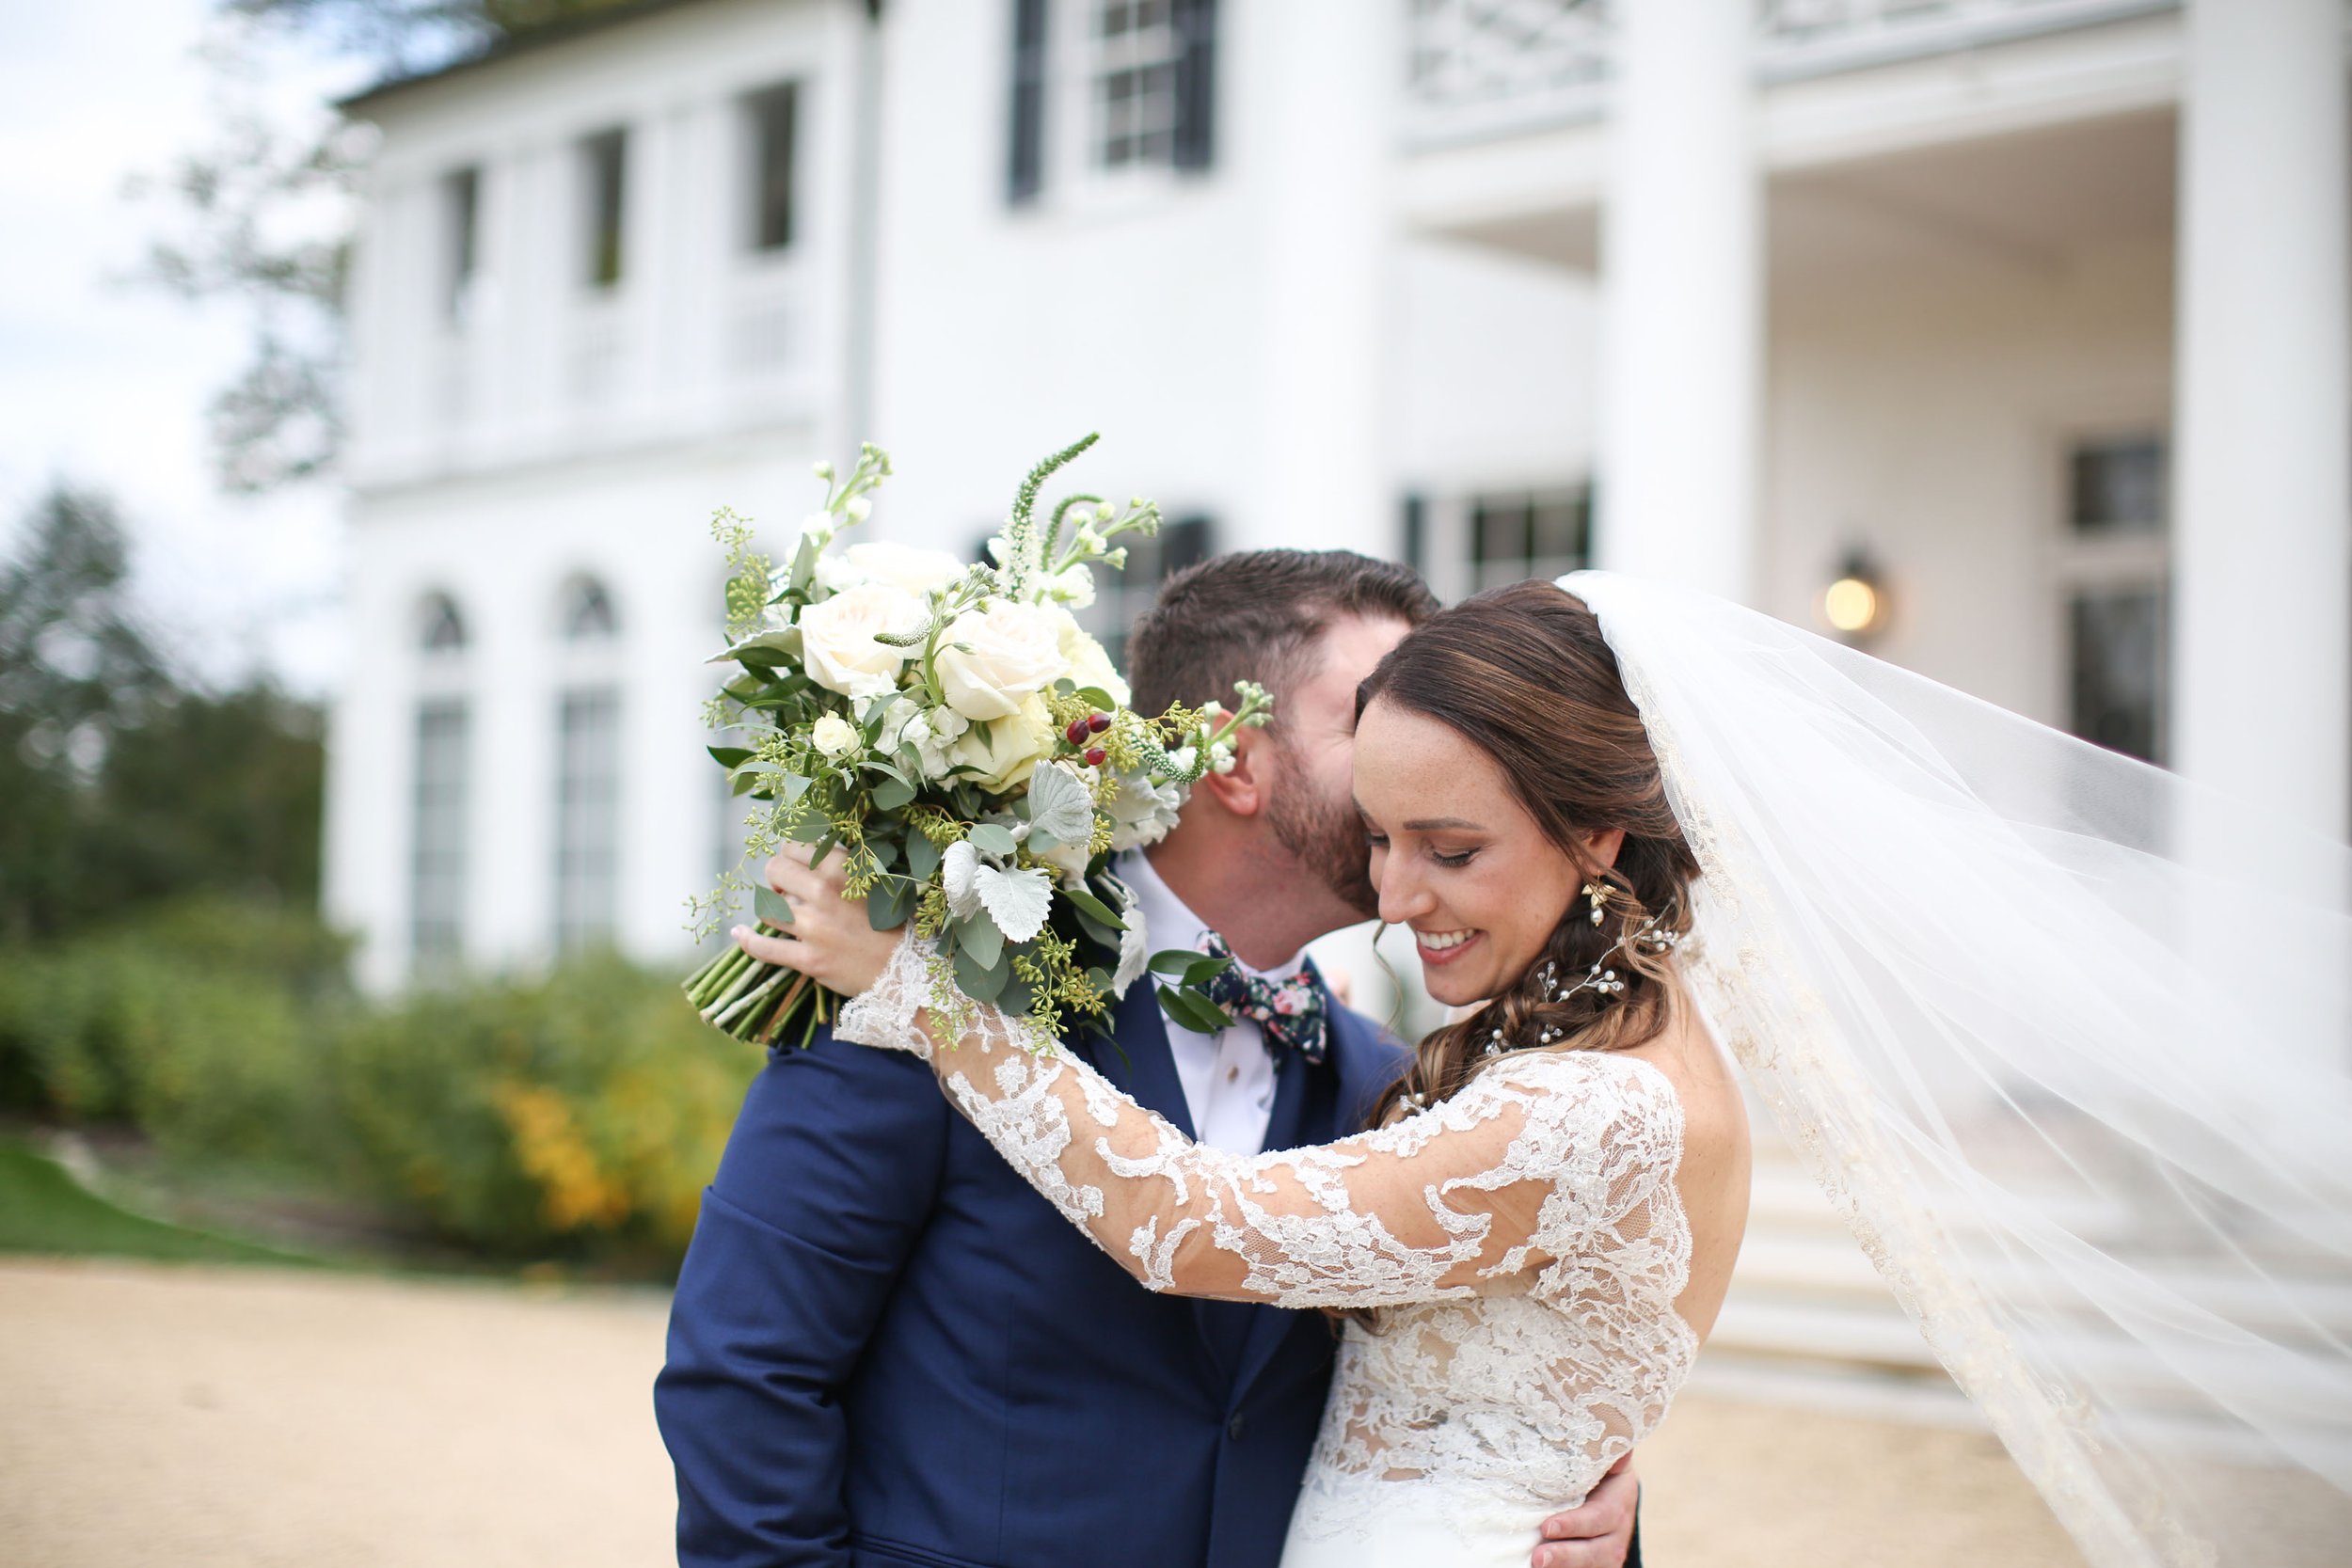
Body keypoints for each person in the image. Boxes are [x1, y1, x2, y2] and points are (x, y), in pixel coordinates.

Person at [764, 574, 2352, 1568]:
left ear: (1599, 832)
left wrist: (930, 996)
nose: (1396, 895)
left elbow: (1202, 1231)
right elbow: (751, 1372)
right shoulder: (1472, 1069)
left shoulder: (1589, 1104)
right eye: (1383, 835)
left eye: (1448, 846)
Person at [656, 552, 1644, 1568]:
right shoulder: (925, 986)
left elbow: (1466, 1389)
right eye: (1371, 713)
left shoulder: (1385, 1080)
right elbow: (744, 1371)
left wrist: (1575, 1495)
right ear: (1232, 760)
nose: (1430, 747)